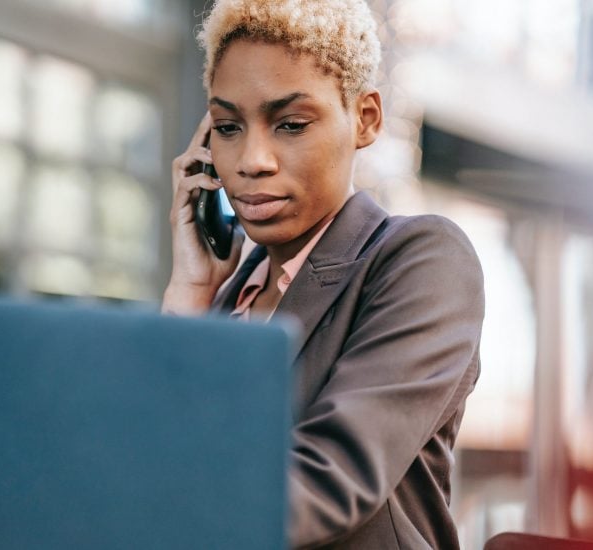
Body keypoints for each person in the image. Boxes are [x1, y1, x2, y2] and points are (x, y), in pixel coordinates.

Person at [161, 0, 485, 547]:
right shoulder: (227, 302)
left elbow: (330, 479)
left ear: (365, 120)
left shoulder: (422, 260)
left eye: (290, 124)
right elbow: (154, 447)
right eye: (228, 126)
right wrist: (191, 292)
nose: (252, 160)